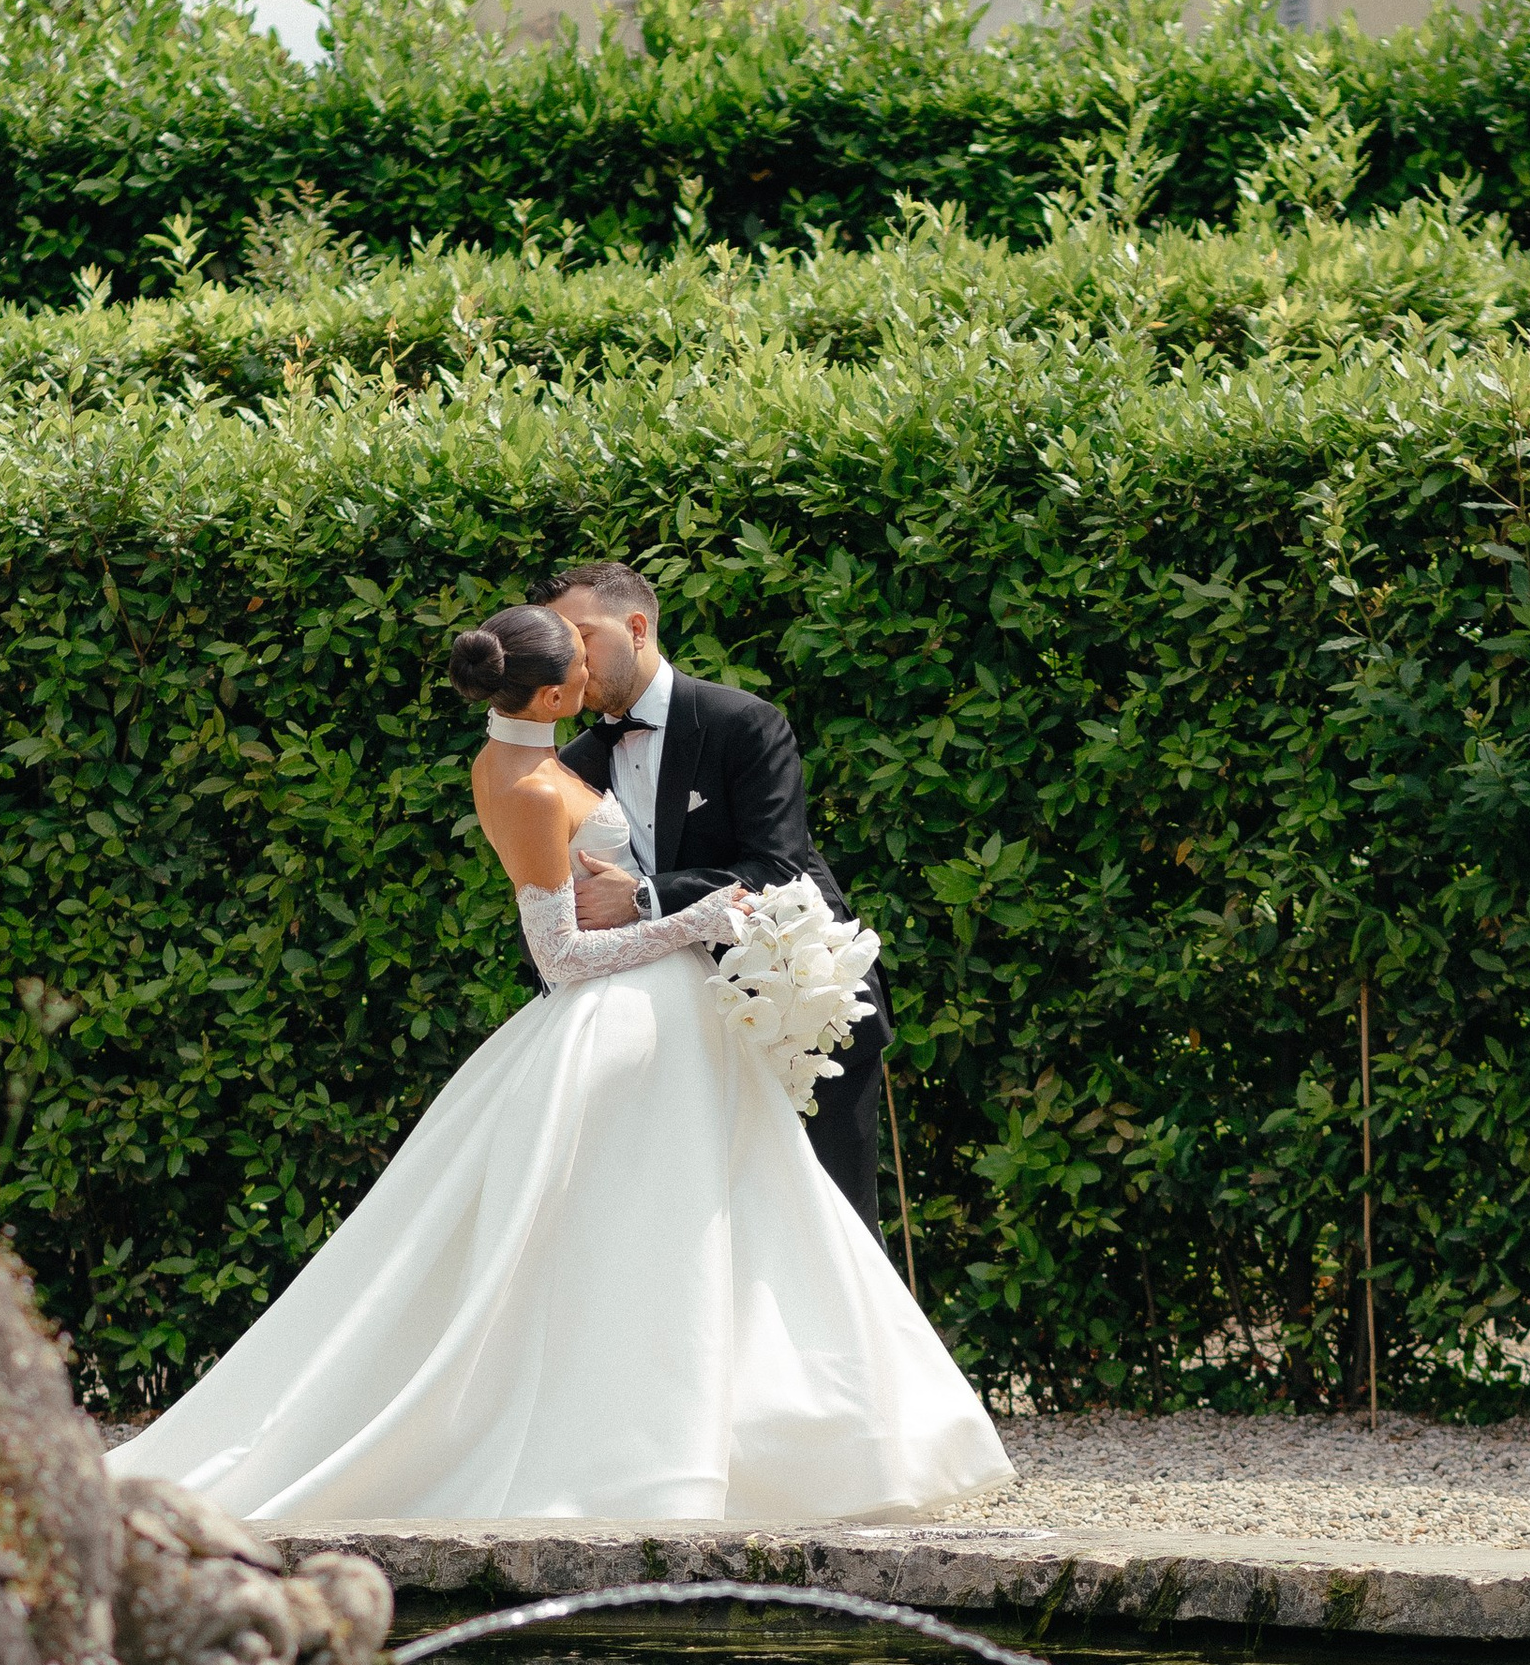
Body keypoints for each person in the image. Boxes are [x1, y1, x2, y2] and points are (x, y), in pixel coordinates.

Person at [106, 599, 1008, 1530]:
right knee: (644, 1243)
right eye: (571, 657)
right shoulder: (541, 781)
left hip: (689, 1018)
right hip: (625, 1020)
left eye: (590, 640)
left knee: (743, 1225)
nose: (586, 665)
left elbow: (775, 863)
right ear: (549, 691)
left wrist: (667, 910)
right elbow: (560, 956)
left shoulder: (571, 754)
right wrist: (690, 922)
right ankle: (637, 1454)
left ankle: (790, 1441)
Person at [541, 559, 890, 1234]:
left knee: (836, 1227)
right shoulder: (573, 765)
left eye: (583, 636)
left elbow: (776, 867)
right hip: (677, 1038)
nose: (571, 659)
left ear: (637, 627)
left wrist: (643, 898)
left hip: (798, 1008)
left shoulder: (742, 723)